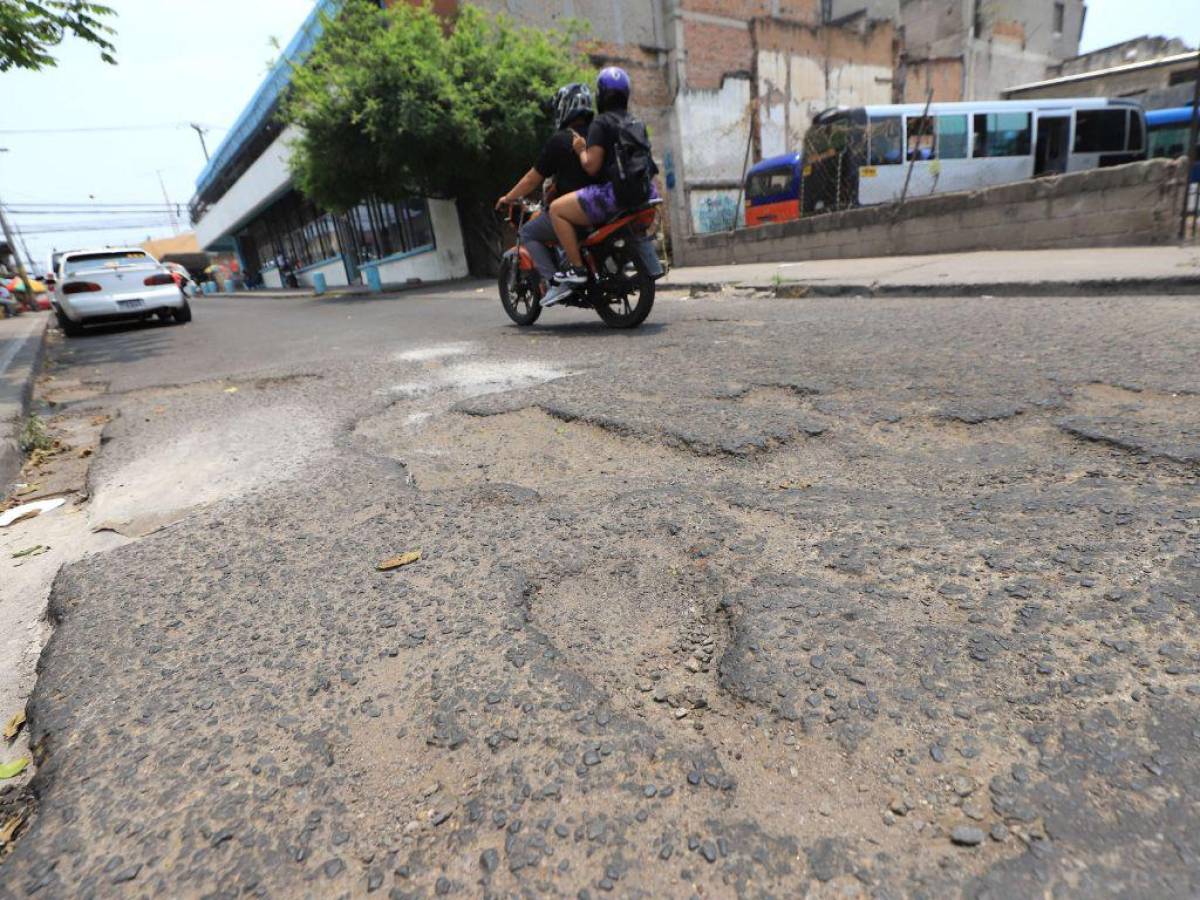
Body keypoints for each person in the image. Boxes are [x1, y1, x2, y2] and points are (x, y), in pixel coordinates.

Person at [542, 66, 658, 308]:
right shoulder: (636, 122)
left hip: (614, 196)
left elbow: (591, 167)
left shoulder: (601, 123)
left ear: (601, 95)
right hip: (646, 192)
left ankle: (576, 269)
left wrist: (581, 150)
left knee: (556, 209)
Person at [496, 82, 598, 292]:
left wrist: (508, 197)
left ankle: (553, 282)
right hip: (604, 204)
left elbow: (532, 179)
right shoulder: (599, 133)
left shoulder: (560, 140)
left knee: (528, 232)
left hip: (576, 210)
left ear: (565, 107)